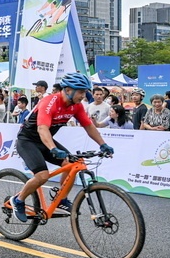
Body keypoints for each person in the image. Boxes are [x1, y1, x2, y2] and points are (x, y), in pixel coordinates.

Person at [10, 73, 113, 223]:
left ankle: (61, 199)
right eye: (81, 92)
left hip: (47, 140)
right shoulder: (49, 102)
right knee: (42, 176)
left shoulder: (76, 106)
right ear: (68, 90)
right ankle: (18, 200)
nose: (84, 96)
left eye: (85, 92)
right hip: (28, 140)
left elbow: (89, 126)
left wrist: (102, 144)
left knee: (71, 164)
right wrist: (52, 148)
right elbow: (42, 129)